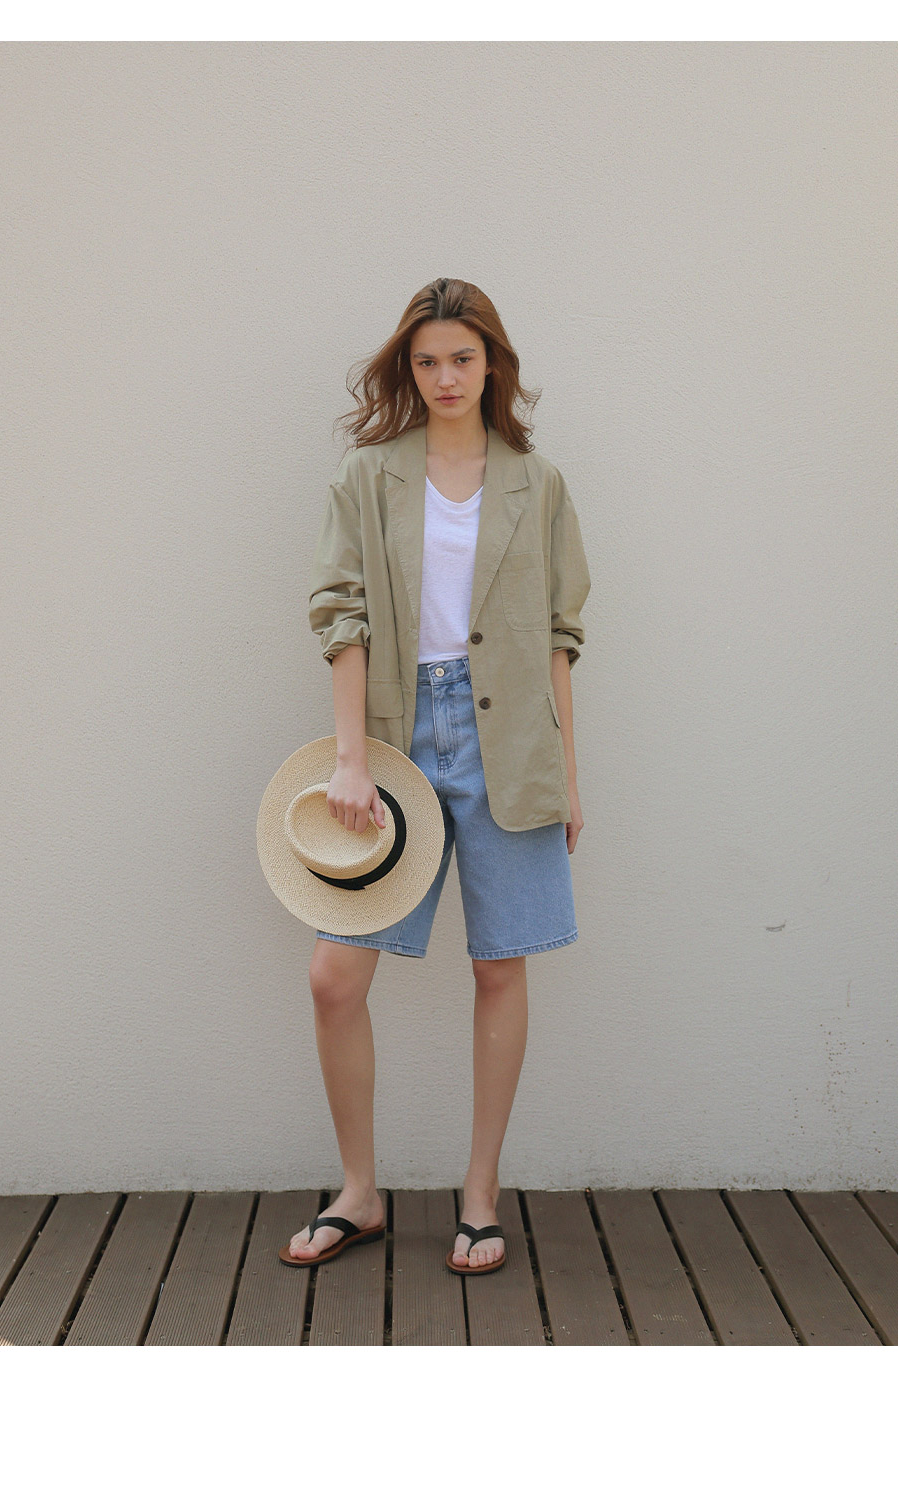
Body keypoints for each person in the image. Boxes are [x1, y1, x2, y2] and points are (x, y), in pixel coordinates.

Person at [285, 277, 591, 1274]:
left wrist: (568, 773)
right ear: (407, 370)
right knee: (336, 974)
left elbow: (560, 634)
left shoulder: (536, 482)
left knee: (500, 963)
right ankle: (359, 1191)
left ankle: (479, 1195)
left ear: (491, 362)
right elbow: (341, 613)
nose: (446, 376)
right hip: (395, 735)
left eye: (462, 357)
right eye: (427, 361)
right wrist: (349, 757)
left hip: (513, 739)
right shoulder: (369, 476)